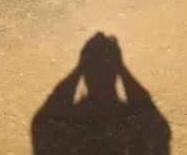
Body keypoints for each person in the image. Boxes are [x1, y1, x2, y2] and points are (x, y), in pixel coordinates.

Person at [31, 32, 170, 155]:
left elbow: (44, 121)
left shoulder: (71, 127)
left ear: (85, 74)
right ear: (115, 72)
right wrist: (121, 68)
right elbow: (152, 117)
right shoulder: (132, 126)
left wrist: (79, 68)